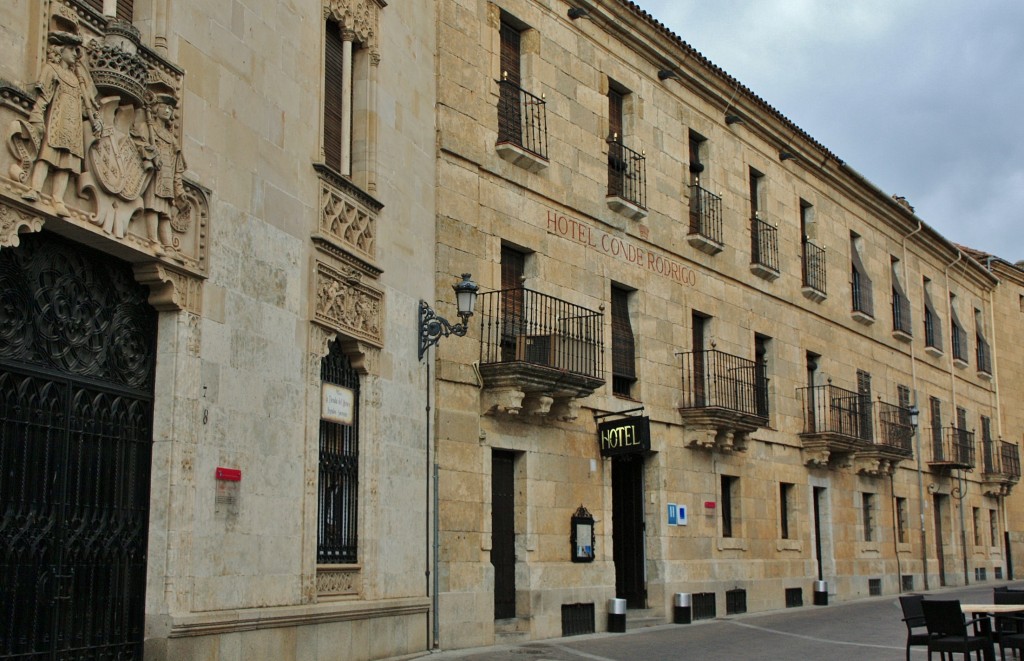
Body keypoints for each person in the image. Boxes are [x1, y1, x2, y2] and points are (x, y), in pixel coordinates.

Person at [21, 31, 101, 217]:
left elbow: (83, 107)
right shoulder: (52, 69)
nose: (75, 54)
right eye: (72, 49)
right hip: (56, 122)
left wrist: (94, 120)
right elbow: (43, 97)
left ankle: (58, 198)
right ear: (60, 49)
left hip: (73, 128)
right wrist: (37, 117)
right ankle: (36, 188)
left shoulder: (76, 80)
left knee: (67, 163)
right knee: (47, 156)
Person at [139, 91, 187, 254]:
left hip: (166, 178)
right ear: (155, 109)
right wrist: (151, 154)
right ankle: (153, 240)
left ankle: (167, 244)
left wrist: (179, 189)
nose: (168, 110)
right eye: (164, 107)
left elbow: (178, 166)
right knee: (153, 207)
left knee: (165, 212)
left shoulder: (171, 138)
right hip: (154, 176)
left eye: (170, 108)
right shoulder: (147, 128)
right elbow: (139, 144)